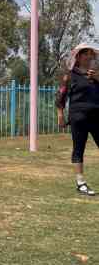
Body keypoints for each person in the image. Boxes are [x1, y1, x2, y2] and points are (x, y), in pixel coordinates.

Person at [55, 43, 99, 196]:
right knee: (79, 149)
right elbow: (61, 94)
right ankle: (81, 183)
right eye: (85, 53)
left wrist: (96, 77)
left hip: (96, 117)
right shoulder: (70, 75)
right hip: (78, 117)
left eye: (91, 54)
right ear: (78, 57)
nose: (89, 56)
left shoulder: (95, 75)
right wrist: (60, 114)